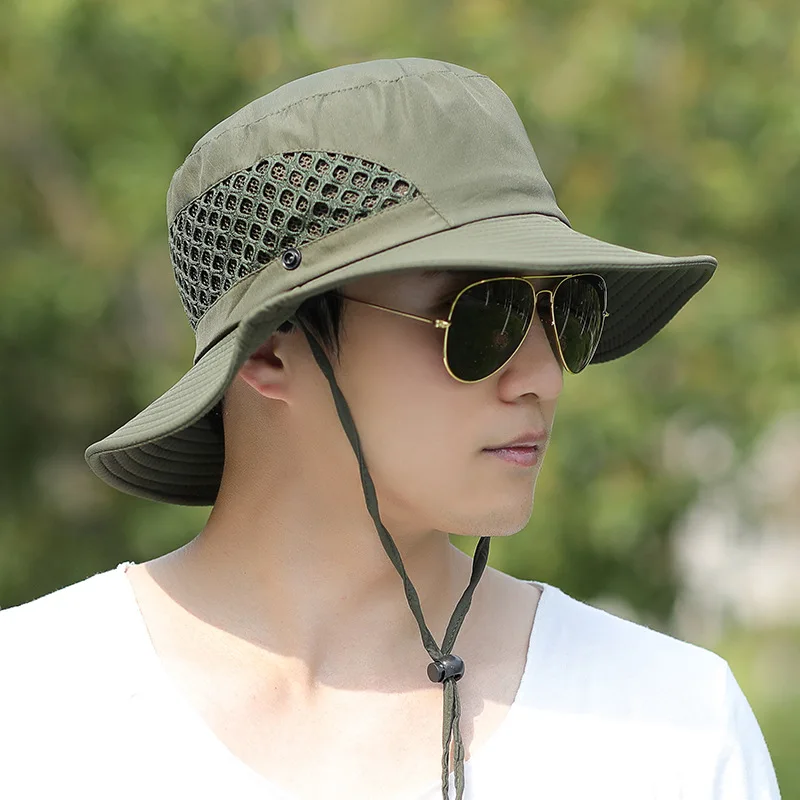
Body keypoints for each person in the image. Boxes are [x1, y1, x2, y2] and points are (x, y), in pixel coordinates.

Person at [0, 58, 781, 800]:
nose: (544, 376)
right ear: (270, 350)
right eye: (484, 315)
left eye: (567, 312)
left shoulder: (673, 724)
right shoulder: (33, 710)